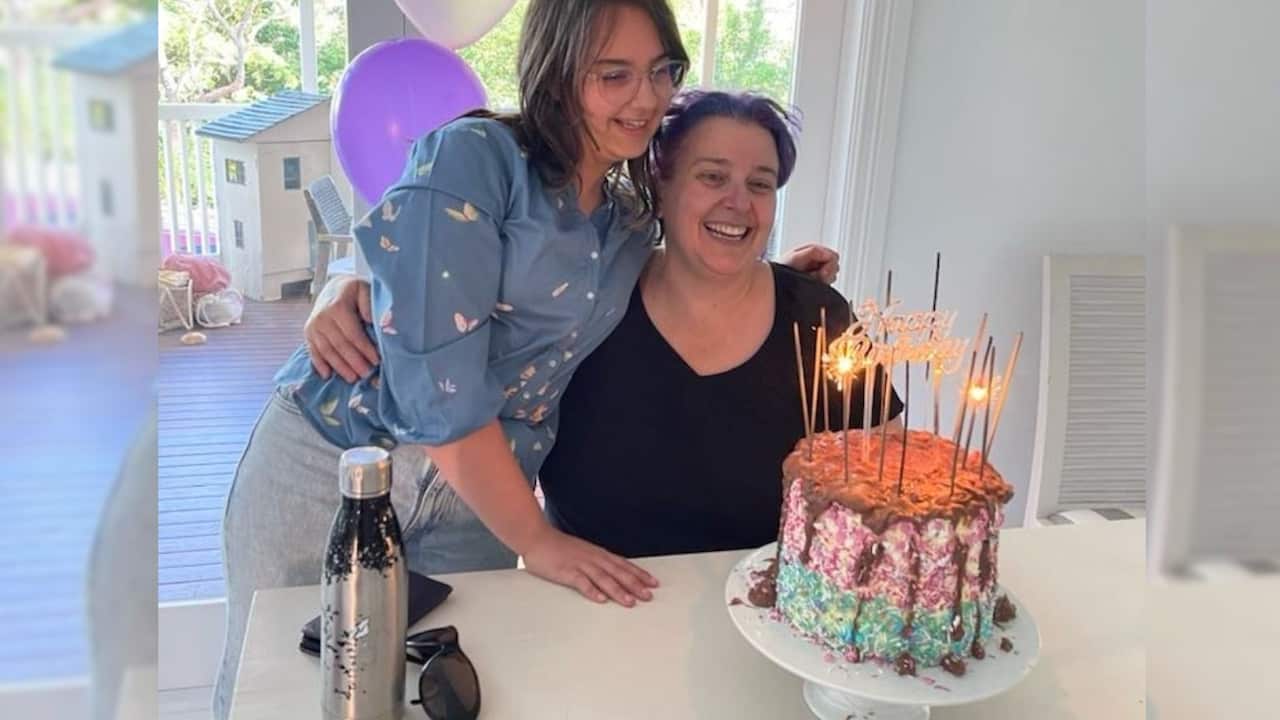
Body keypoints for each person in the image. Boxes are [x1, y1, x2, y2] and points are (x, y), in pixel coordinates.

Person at [214, 2, 833, 717]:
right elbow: (437, 388)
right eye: (614, 74)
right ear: (557, 73)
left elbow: (685, 267)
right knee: (276, 688)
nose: (646, 97)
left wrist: (778, 277)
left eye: (662, 71)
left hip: (483, 496)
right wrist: (538, 540)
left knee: (432, 698)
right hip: (338, 461)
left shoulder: (628, 215)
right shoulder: (477, 158)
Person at [310, 90, 901, 562]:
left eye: (760, 184)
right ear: (659, 186)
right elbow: (440, 313)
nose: (739, 203)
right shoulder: (587, 308)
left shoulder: (817, 320)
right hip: (588, 613)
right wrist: (348, 293)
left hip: (762, 616)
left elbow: (897, 471)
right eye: (712, 177)